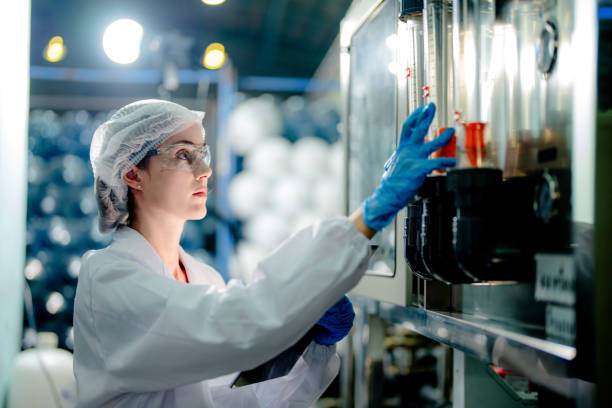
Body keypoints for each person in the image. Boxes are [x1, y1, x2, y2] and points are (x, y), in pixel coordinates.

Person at [73, 99, 455, 407]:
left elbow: (237, 401)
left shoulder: (203, 278)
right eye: (184, 155)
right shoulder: (108, 280)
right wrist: (368, 216)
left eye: (203, 153)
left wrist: (312, 347)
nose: (205, 169)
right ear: (132, 174)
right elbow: (239, 322)